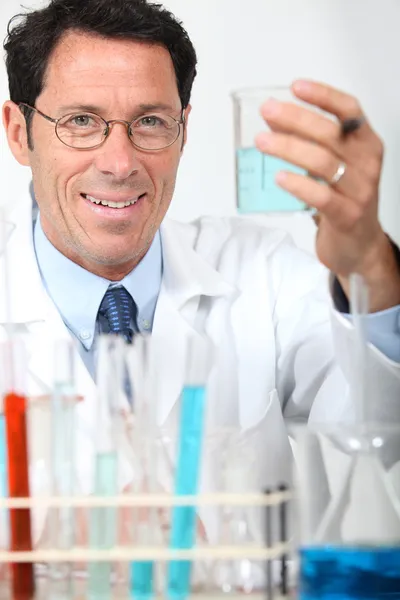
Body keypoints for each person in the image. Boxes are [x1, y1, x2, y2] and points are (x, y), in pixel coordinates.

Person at [1, 0, 400, 534]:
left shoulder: (262, 270)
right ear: (20, 133)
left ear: (183, 131)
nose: (120, 163)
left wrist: (370, 266)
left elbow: (380, 433)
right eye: (80, 121)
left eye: (149, 122)